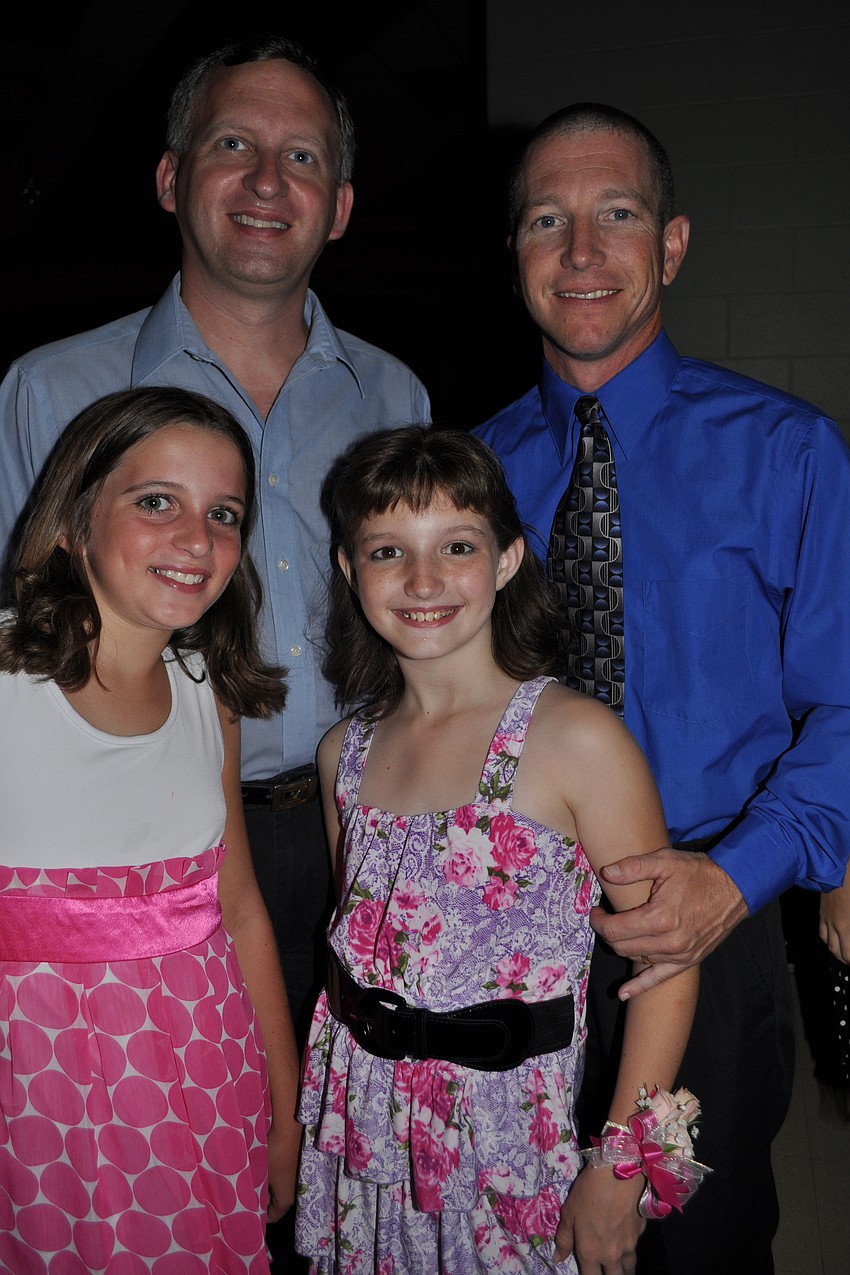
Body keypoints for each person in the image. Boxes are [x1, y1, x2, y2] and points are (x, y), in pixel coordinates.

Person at [474, 102, 850, 1273]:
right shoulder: (472, 475)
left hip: (712, 912)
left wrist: (734, 884)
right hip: (511, 936)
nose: (581, 252)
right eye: (548, 220)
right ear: (516, 254)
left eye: (617, 215)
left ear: (672, 245)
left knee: (700, 1250)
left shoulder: (786, 452)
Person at [0, 35, 430, 1052]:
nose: (268, 181)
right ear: (170, 177)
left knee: (344, 1154)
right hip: (135, 857)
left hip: (360, 838)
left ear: (340, 204)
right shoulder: (50, 394)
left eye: (305, 157)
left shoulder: (397, 398)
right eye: (234, 142)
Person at [294, 425, 704, 1273]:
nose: (423, 580)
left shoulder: (575, 739)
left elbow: (670, 967)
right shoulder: (345, 753)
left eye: (456, 545)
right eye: (386, 551)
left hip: (516, 1146)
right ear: (348, 569)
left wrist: (621, 1168)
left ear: (509, 559)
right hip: (370, 1140)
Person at [0, 385, 302, 1272]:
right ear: (71, 520)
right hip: (35, 1097)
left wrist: (283, 1115)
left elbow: (241, 910)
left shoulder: (207, 689)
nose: (197, 538)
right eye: (156, 502)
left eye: (224, 513)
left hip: (198, 1081)